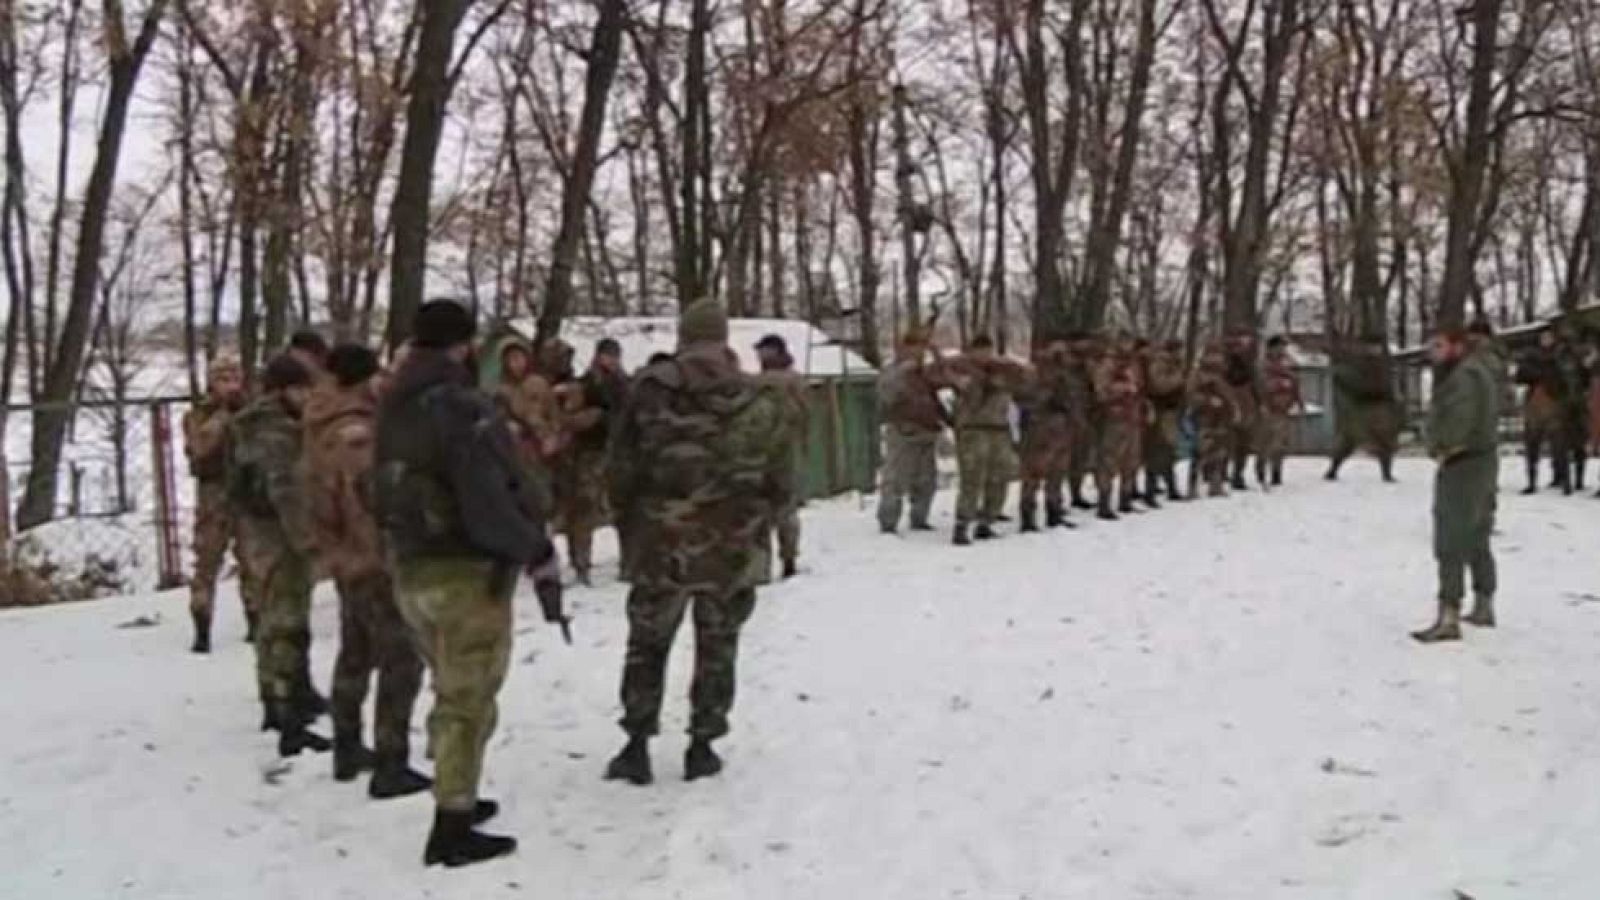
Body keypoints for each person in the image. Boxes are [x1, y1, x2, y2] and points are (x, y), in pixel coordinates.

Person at [373, 300, 564, 867]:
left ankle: (458, 791)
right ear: (463, 344)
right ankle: (451, 825)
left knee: (450, 688)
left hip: (410, 566)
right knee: (467, 699)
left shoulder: (393, 404)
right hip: (463, 572)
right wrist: (534, 547)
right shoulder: (457, 406)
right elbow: (486, 496)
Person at [604, 299, 792, 787]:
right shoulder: (758, 396)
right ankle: (702, 744)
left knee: (647, 641)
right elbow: (782, 479)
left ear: (683, 335)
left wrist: (627, 519)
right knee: (719, 642)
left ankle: (636, 743)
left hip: (661, 537)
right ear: (725, 336)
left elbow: (619, 467)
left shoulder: (650, 389)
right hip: (733, 541)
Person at [304, 343, 428, 798]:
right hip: (370, 558)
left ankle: (347, 745)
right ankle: (391, 761)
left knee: (355, 651)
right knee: (401, 657)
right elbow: (367, 501)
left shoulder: (323, 418)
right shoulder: (356, 433)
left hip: (345, 557)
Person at [227, 354, 329, 755]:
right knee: (287, 619)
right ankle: (288, 712)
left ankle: (277, 696)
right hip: (278, 535)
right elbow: (285, 492)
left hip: (257, 530)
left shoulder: (251, 424)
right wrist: (308, 541)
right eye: (304, 389)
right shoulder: (276, 433)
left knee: (272, 616)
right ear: (286, 390)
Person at [1413, 327, 1501, 644]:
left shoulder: (1463, 377)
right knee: (1477, 532)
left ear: (1457, 346)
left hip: (1462, 463)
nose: (1432, 352)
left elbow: (1459, 420)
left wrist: (1441, 446)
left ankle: (1448, 614)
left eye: (1438, 345)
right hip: (1483, 460)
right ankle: (1484, 603)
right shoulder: (1481, 370)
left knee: (1451, 536)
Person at [183, 353, 257, 653]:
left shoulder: (253, 411)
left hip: (247, 491)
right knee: (207, 559)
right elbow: (199, 448)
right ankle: (202, 625)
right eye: (222, 379)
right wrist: (223, 417)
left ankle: (256, 619)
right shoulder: (199, 415)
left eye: (234, 378)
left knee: (252, 558)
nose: (229, 385)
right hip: (214, 493)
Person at [947, 335, 1027, 544]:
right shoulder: (962, 369)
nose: (984, 355)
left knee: (1000, 475)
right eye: (980, 351)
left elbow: (1024, 377)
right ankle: (963, 523)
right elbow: (956, 384)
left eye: (987, 351)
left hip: (999, 429)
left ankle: (987, 520)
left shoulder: (1002, 370)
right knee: (972, 477)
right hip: (973, 430)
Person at [564, 338, 630, 585]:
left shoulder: (624, 383)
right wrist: (593, 418)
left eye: (614, 355)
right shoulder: (586, 384)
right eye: (607, 355)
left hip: (618, 452)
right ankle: (581, 563)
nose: (611, 360)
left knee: (622, 508)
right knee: (584, 509)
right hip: (590, 451)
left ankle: (627, 562)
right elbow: (571, 418)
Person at [876, 328, 948, 534]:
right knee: (895, 479)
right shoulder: (893, 371)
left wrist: (937, 354)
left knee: (927, 480)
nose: (917, 353)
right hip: (902, 432)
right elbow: (886, 395)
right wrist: (903, 372)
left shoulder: (925, 373)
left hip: (926, 430)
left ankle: (920, 518)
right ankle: (888, 522)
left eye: (920, 348)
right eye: (913, 347)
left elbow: (945, 378)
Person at [755, 334, 810, 578]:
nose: (761, 357)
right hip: (778, 451)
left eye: (765, 352)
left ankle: (773, 562)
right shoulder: (794, 380)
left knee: (768, 509)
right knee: (781, 509)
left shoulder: (768, 382)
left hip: (771, 452)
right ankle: (783, 559)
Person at [1017, 339, 1077, 531]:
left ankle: (1054, 511)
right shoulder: (1035, 374)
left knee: (1057, 472)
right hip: (1040, 428)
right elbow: (1025, 399)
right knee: (1033, 473)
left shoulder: (1065, 375)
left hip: (1060, 427)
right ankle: (1028, 516)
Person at [1326, 334, 1401, 482]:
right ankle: (1333, 469)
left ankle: (1386, 473)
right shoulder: (1355, 363)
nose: (1374, 351)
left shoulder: (1384, 364)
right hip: (1360, 406)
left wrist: (1392, 401)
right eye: (1371, 347)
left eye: (1377, 348)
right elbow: (1341, 378)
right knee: (1348, 440)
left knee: (1385, 440)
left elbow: (1389, 384)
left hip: (1380, 405)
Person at [1090, 336, 1144, 519]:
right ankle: (1104, 501)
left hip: (1132, 417)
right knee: (1109, 460)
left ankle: (1126, 497)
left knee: (1131, 460)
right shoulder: (1107, 366)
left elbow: (1138, 388)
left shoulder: (1132, 366)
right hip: (1114, 419)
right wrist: (1120, 390)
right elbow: (1100, 392)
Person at [1515, 329, 1574, 494]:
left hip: (1554, 403)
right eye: (1543, 338)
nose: (1546, 340)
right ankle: (1532, 481)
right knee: (1532, 444)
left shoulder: (1561, 356)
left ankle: (1565, 481)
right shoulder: (1532, 356)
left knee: (1559, 445)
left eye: (1549, 337)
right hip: (1535, 402)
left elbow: (1565, 380)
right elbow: (1521, 375)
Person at [1189, 345, 1239, 498]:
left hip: (1221, 419)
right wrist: (1207, 401)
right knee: (1200, 453)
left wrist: (1234, 410)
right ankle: (1192, 487)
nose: (1216, 359)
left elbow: (1230, 396)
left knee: (1219, 453)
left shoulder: (1223, 376)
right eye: (1212, 356)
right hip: (1205, 418)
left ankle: (1215, 485)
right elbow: (1190, 395)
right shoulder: (1198, 376)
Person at [1143, 339, 1187, 503]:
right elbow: (1159, 386)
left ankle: (1171, 487)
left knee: (1169, 451)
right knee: (1158, 451)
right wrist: (1178, 378)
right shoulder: (1160, 364)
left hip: (1172, 411)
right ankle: (1151, 490)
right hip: (1161, 411)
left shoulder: (1175, 364)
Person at [1256, 337, 1303, 487]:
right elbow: (1259, 386)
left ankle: (1277, 473)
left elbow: (1296, 384)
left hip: (1284, 409)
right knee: (1265, 442)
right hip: (1268, 408)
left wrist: (1298, 402)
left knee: (1281, 444)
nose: (1281, 350)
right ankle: (1261, 470)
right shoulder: (1262, 365)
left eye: (1283, 347)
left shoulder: (1289, 364)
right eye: (1279, 347)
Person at [1222, 329, 1261, 491]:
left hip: (1246, 404)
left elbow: (1253, 385)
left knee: (1243, 444)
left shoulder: (1249, 365)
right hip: (1229, 405)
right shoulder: (1224, 364)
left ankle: (1237, 474)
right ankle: (1219, 473)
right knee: (1225, 442)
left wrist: (1258, 403)